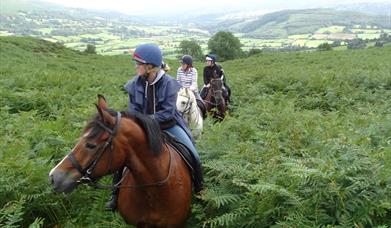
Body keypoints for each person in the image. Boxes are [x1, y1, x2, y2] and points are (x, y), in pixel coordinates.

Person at [106, 43, 203, 211]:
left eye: (139, 64)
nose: (136, 67)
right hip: (142, 128)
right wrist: (139, 123)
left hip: (168, 126)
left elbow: (167, 113)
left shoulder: (169, 84)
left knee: (193, 154)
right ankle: (115, 195)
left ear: (150, 66)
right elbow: (133, 110)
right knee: (123, 156)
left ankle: (200, 190)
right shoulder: (134, 84)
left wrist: (144, 120)